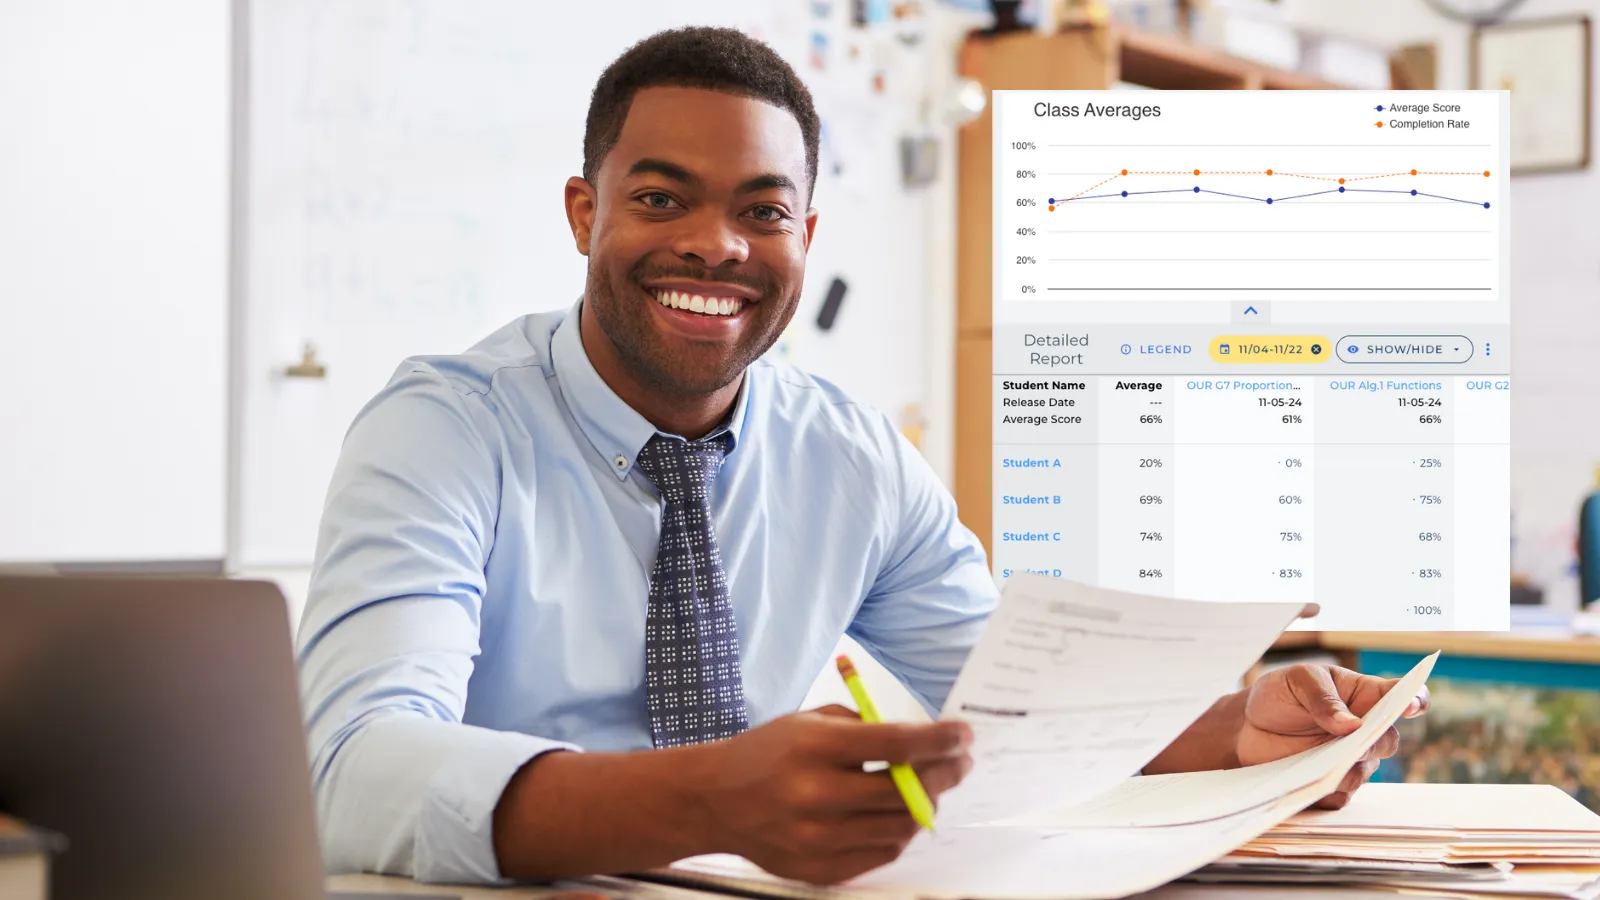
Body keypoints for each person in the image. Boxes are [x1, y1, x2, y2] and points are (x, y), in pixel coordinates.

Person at [295, 25, 1430, 889]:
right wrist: (701, 802)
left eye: (763, 210)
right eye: (658, 198)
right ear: (583, 213)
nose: (715, 244)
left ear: (805, 239)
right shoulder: (445, 428)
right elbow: (351, 767)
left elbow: (1016, 719)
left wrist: (1239, 727)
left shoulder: (850, 457)